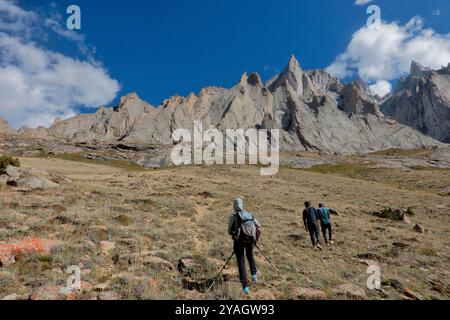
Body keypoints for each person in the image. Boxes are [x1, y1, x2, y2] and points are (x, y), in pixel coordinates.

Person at [228, 197, 261, 295]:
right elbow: (258, 226)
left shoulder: (234, 216)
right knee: (250, 255)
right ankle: (254, 275)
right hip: (250, 239)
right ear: (242, 205)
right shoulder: (249, 214)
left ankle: (245, 287)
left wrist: (234, 233)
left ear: (234, 206)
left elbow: (229, 231)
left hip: (239, 241)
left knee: (241, 260)